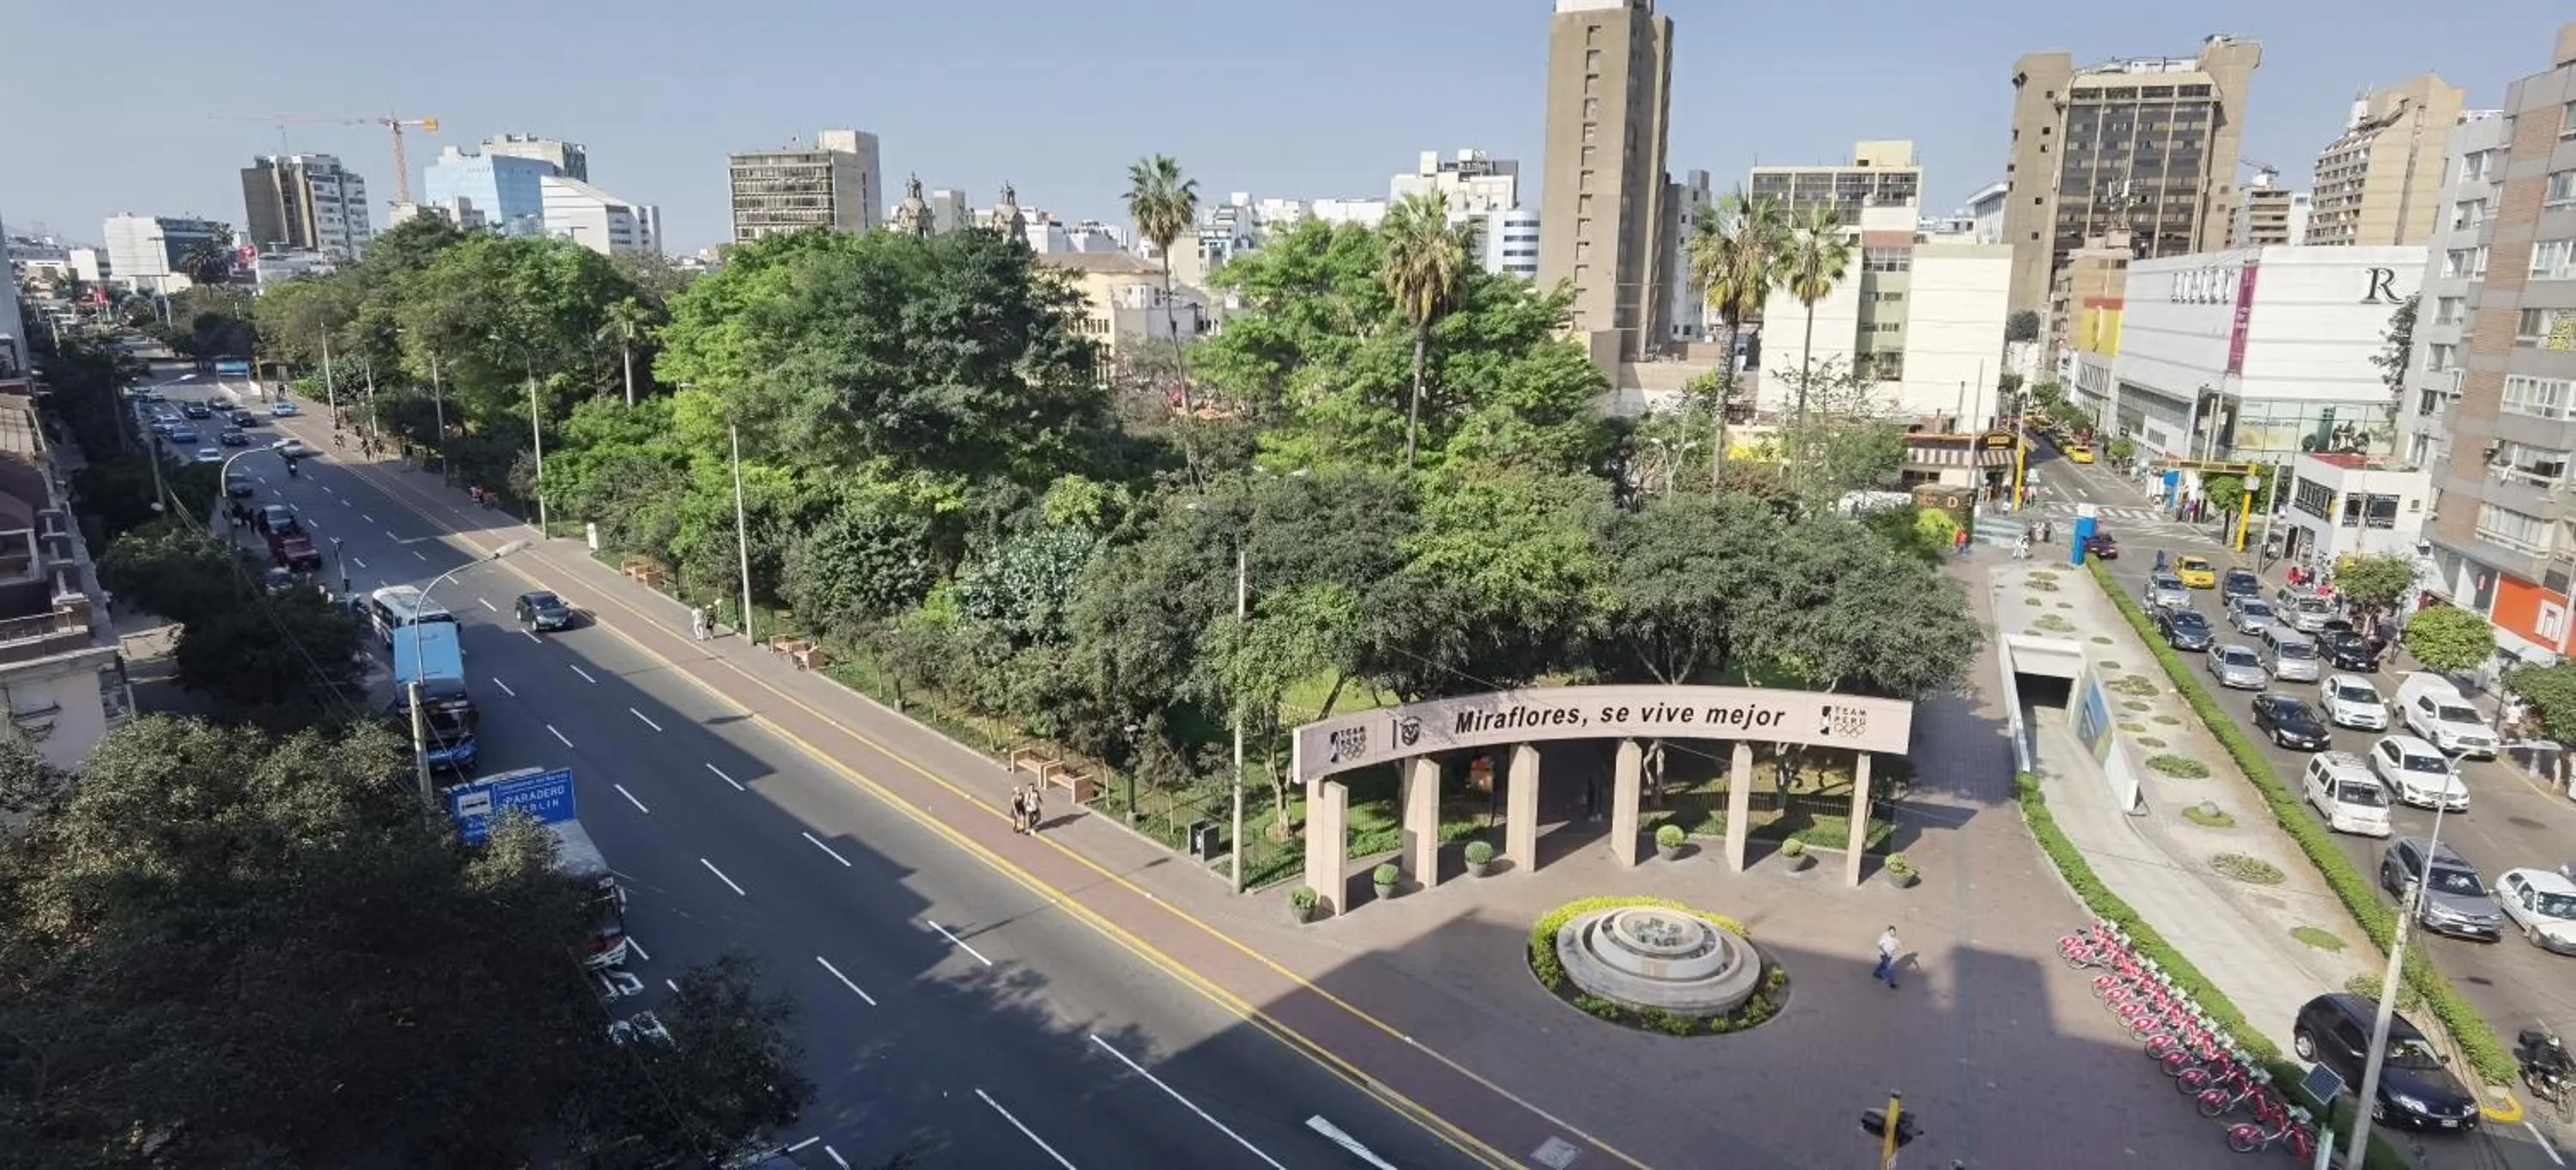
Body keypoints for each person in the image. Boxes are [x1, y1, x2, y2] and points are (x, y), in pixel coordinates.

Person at [1874, 925, 1902, 990]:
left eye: (1894, 932)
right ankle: (1891, 983)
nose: (1893, 933)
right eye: (1891, 932)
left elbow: (1897, 943)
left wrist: (1900, 948)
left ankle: (1877, 972)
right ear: (1889, 932)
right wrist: (1884, 952)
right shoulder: (1885, 937)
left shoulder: (1894, 938)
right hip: (1884, 955)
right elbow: (1879, 945)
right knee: (1889, 969)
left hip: (1890, 955)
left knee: (1883, 964)